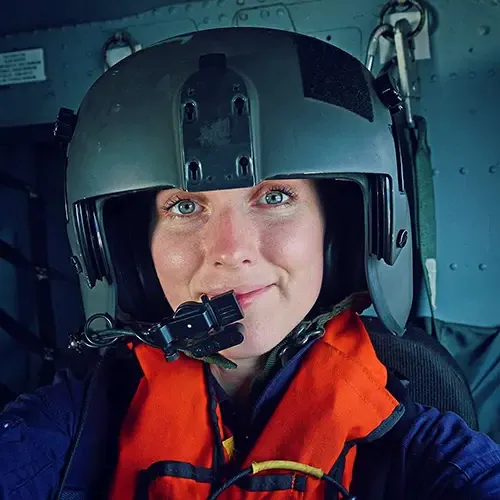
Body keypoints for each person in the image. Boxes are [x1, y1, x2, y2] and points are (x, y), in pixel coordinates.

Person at [1, 27, 499, 500]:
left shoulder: (420, 436)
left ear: (339, 233)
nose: (230, 248)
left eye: (275, 197)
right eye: (184, 206)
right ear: (131, 251)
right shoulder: (69, 425)